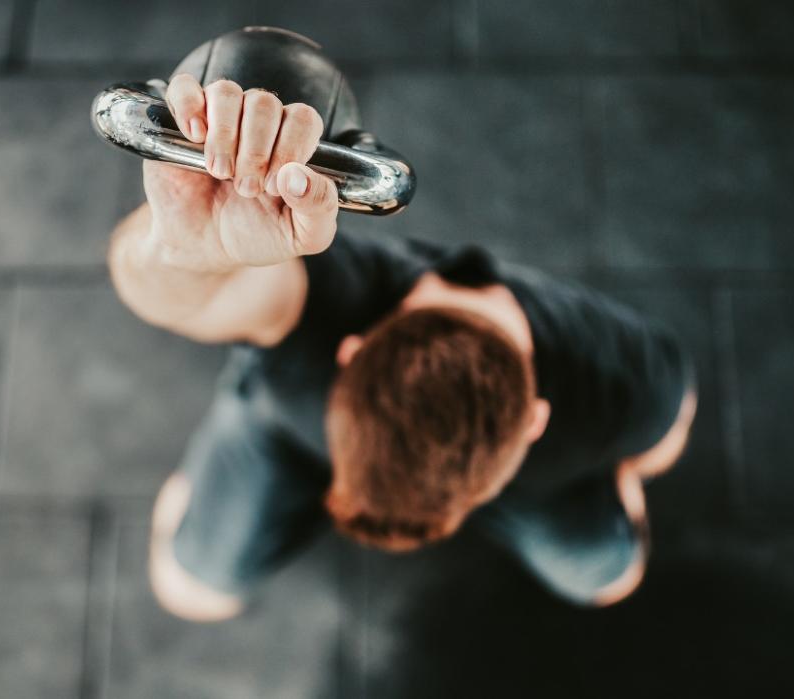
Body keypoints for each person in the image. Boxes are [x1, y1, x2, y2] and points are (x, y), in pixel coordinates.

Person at [107, 73, 698, 622]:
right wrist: (187, 247)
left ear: (534, 421)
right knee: (190, 589)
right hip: (292, 430)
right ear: (349, 353)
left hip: (517, 478)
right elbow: (182, 298)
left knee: (609, 576)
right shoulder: (320, 307)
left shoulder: (621, 374)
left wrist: (626, 475)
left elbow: (662, 443)